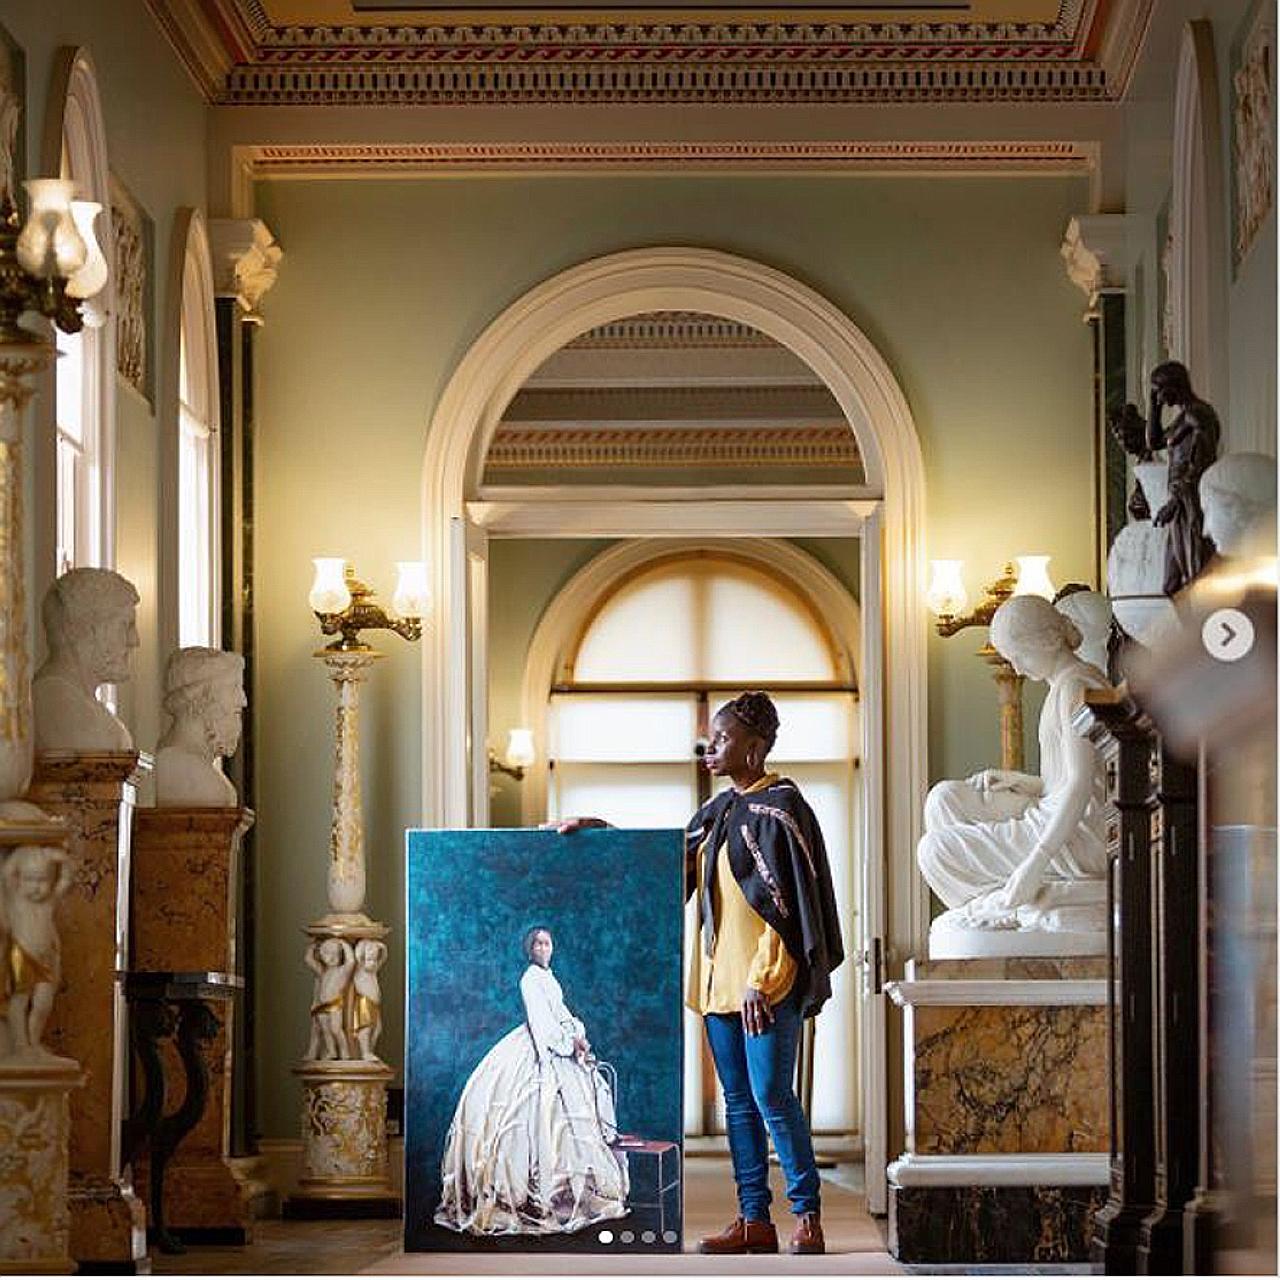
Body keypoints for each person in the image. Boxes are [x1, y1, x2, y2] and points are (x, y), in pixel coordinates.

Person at [556, 691, 844, 1256]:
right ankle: (753, 1219)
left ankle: (807, 1216)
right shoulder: (715, 814)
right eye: (711, 738)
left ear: (755, 747)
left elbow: (793, 911)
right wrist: (598, 833)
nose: (711, 747)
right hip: (718, 988)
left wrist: (763, 979)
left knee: (772, 1097)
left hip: (765, 986)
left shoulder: (784, 810)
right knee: (736, 1102)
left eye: (723, 738)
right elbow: (661, 869)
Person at [917, 595, 1110, 923]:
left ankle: (1000, 905)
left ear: (1047, 641)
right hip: (1052, 809)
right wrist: (1024, 783)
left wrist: (1036, 862)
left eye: (1018, 656)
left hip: (1078, 835)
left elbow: (1082, 787)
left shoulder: (1076, 688)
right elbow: (1072, 779)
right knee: (944, 798)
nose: (1017, 668)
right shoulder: (1064, 685)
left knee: (934, 852)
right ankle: (994, 896)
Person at [434, 926, 629, 1237]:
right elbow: (541, 1022)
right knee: (529, 1118)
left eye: (547, 943)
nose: (542, 948)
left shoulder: (548, 977)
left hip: (561, 1044)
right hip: (541, 1048)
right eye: (537, 943)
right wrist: (564, 1044)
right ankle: (526, 1196)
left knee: (575, 1119)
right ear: (530, 949)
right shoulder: (529, 979)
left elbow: (561, 1012)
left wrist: (577, 1034)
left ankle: (567, 1192)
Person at [33, 568, 140, 753]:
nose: (134, 640)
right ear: (91, 628)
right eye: (126, 625)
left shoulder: (73, 700)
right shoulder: (60, 705)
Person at [155, 647, 247, 807]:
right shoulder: (181, 768)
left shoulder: (198, 768)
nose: (243, 700)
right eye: (234, 687)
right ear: (202, 697)